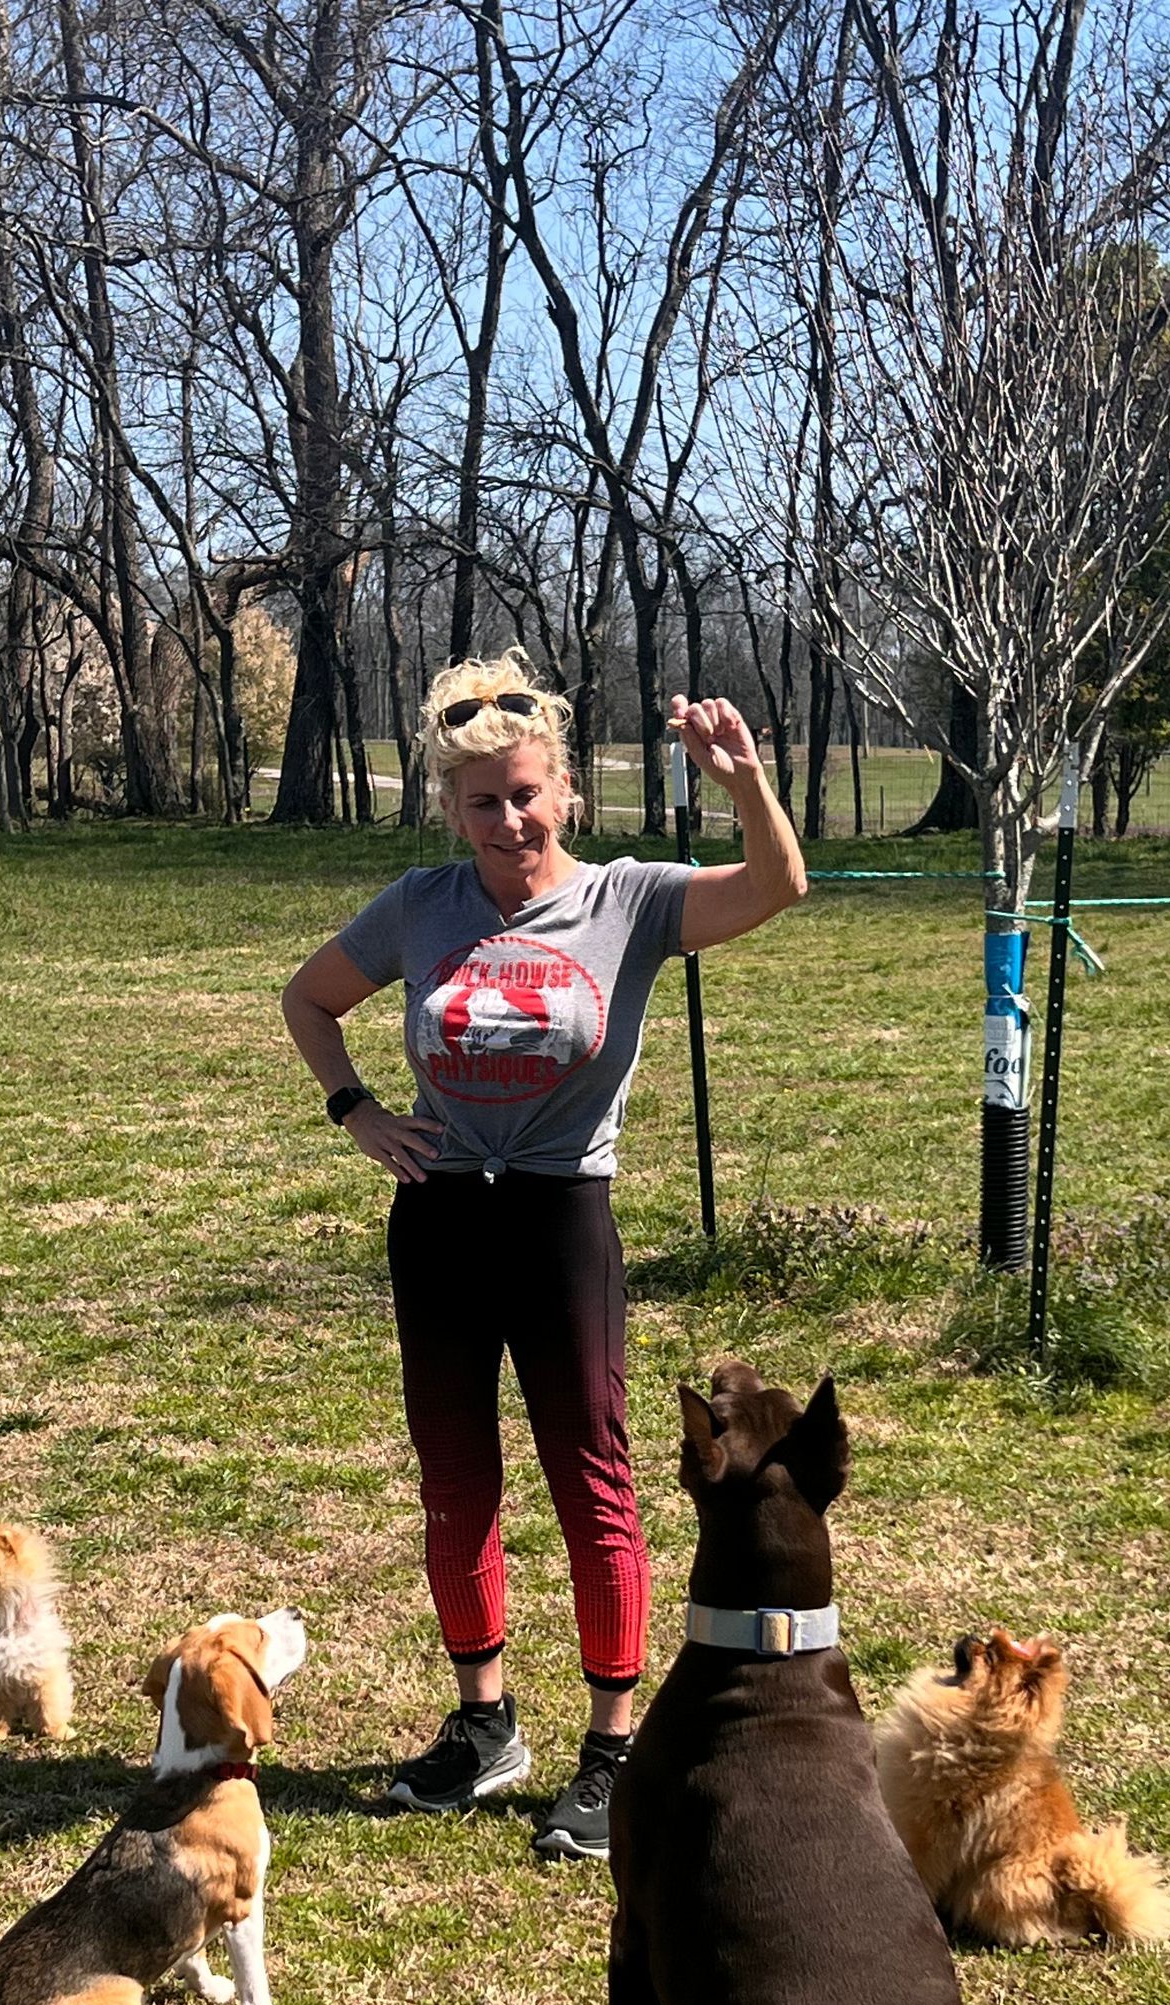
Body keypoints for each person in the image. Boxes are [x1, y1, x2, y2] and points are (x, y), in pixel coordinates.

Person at [280, 650, 805, 1861]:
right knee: (455, 1482)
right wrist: (356, 1109)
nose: (508, 820)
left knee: (593, 1484)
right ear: (451, 809)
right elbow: (309, 1000)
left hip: (565, 1218)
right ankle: (484, 1726)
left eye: (526, 793)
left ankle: (612, 1751)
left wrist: (744, 783)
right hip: (444, 1217)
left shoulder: (632, 900)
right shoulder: (420, 905)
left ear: (564, 787)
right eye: (481, 801)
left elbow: (779, 885)